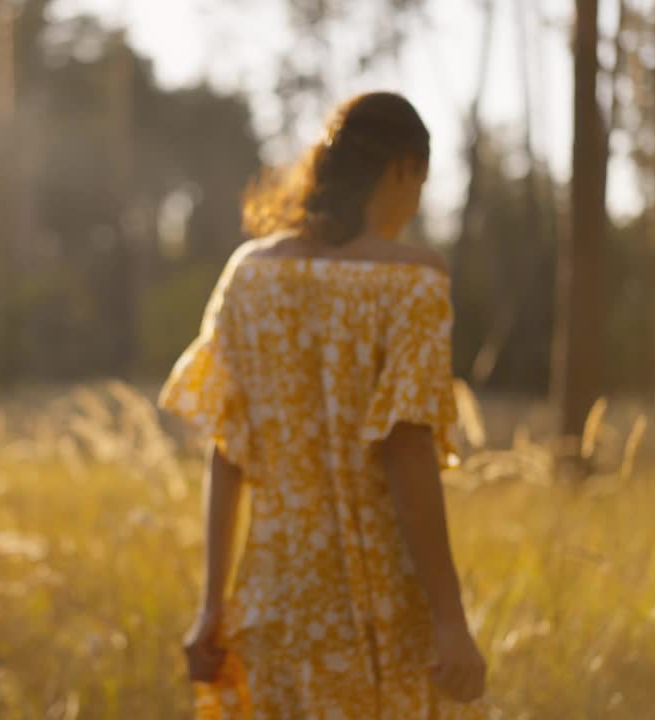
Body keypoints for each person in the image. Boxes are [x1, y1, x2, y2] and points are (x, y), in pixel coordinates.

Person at [158, 91, 488, 718]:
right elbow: (408, 448)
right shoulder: (413, 281)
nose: (416, 202)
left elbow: (227, 450)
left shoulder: (248, 275)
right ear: (401, 169)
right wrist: (449, 620)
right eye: (420, 181)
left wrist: (213, 607)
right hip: (375, 607)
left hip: (272, 601)